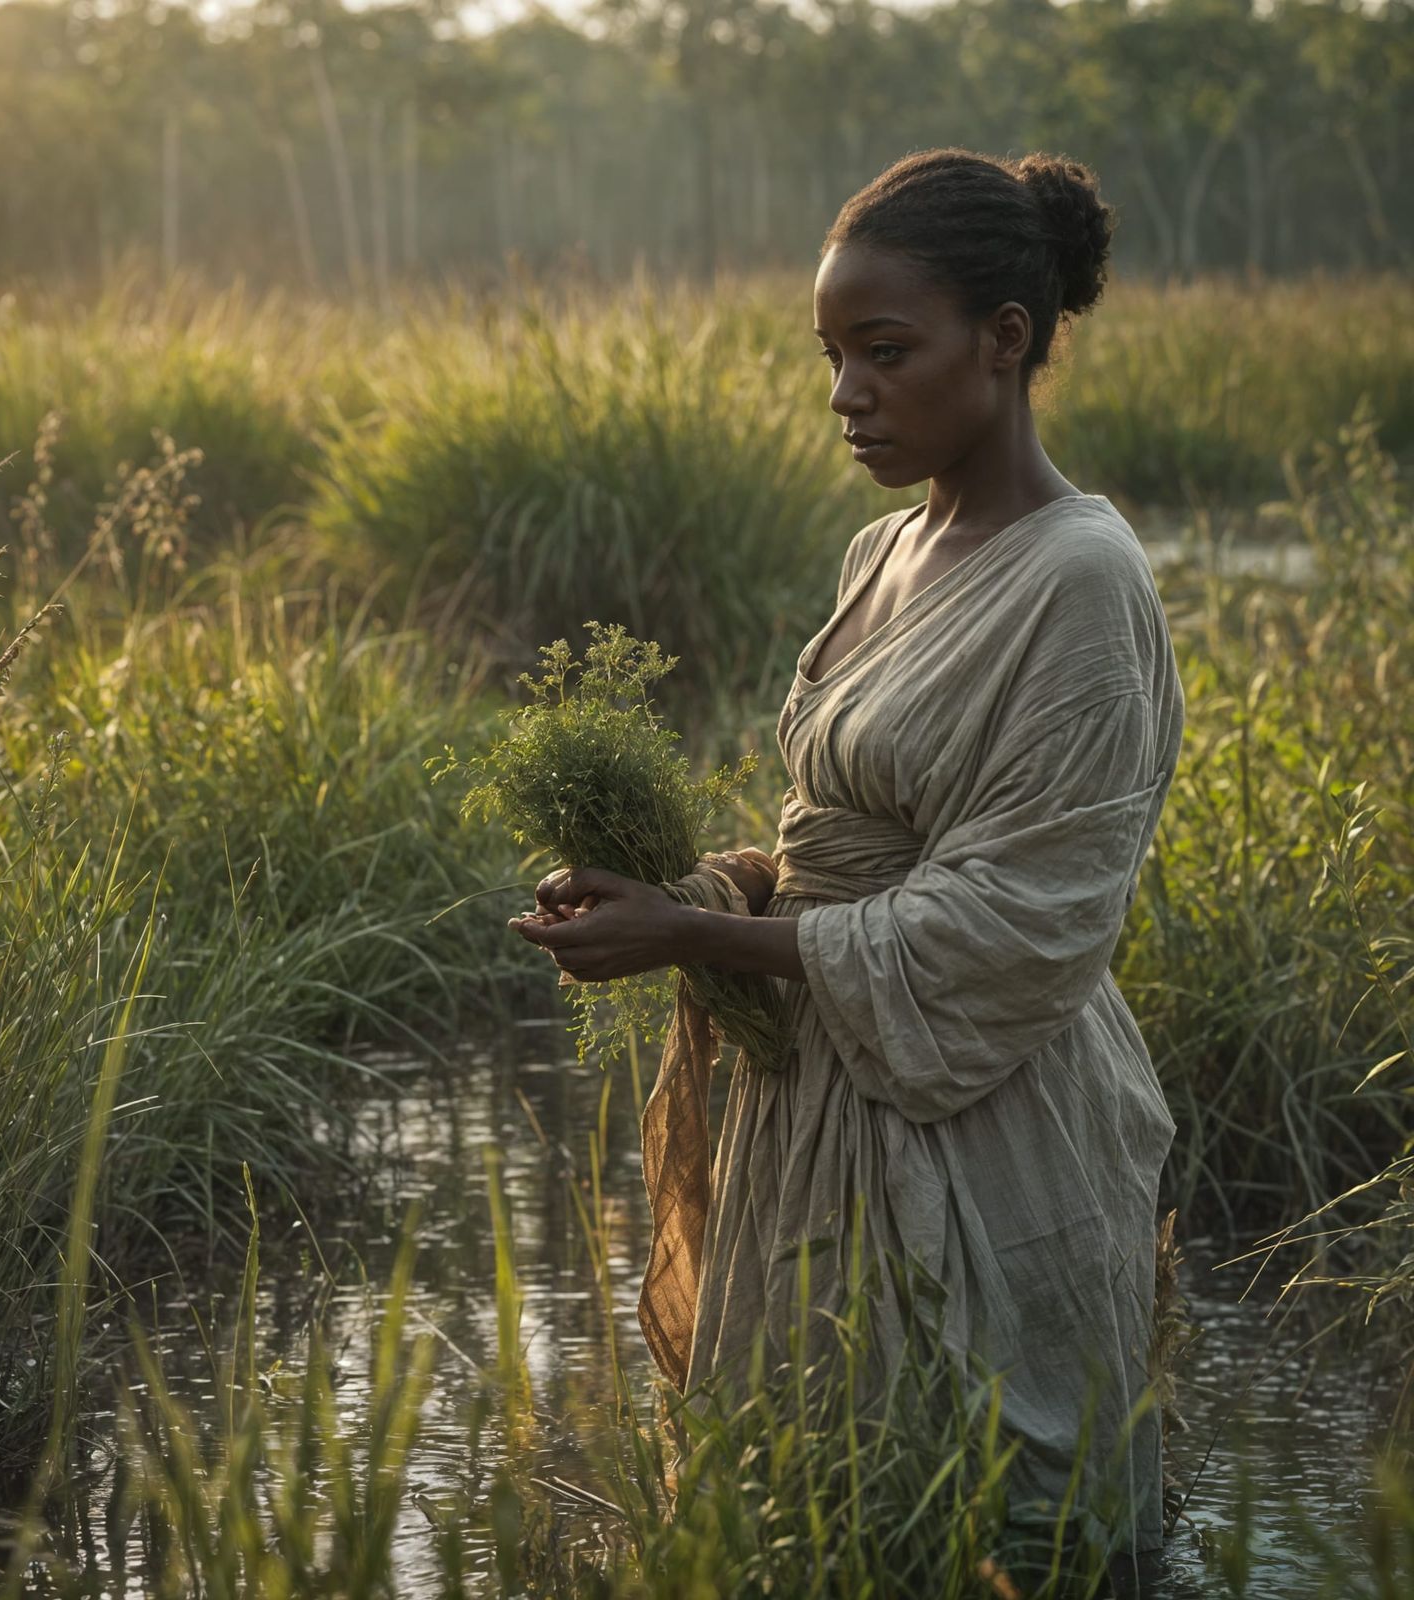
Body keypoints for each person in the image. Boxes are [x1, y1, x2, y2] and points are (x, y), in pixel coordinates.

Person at [508, 147, 1184, 1576]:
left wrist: (701, 942)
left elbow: (1018, 922)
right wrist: (704, 891)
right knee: (811, 1508)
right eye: (831, 357)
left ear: (1005, 341)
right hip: (819, 1093)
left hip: (983, 1116)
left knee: (999, 1509)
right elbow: (842, 856)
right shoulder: (884, 549)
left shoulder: (1080, 577)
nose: (846, 396)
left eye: (886, 352)